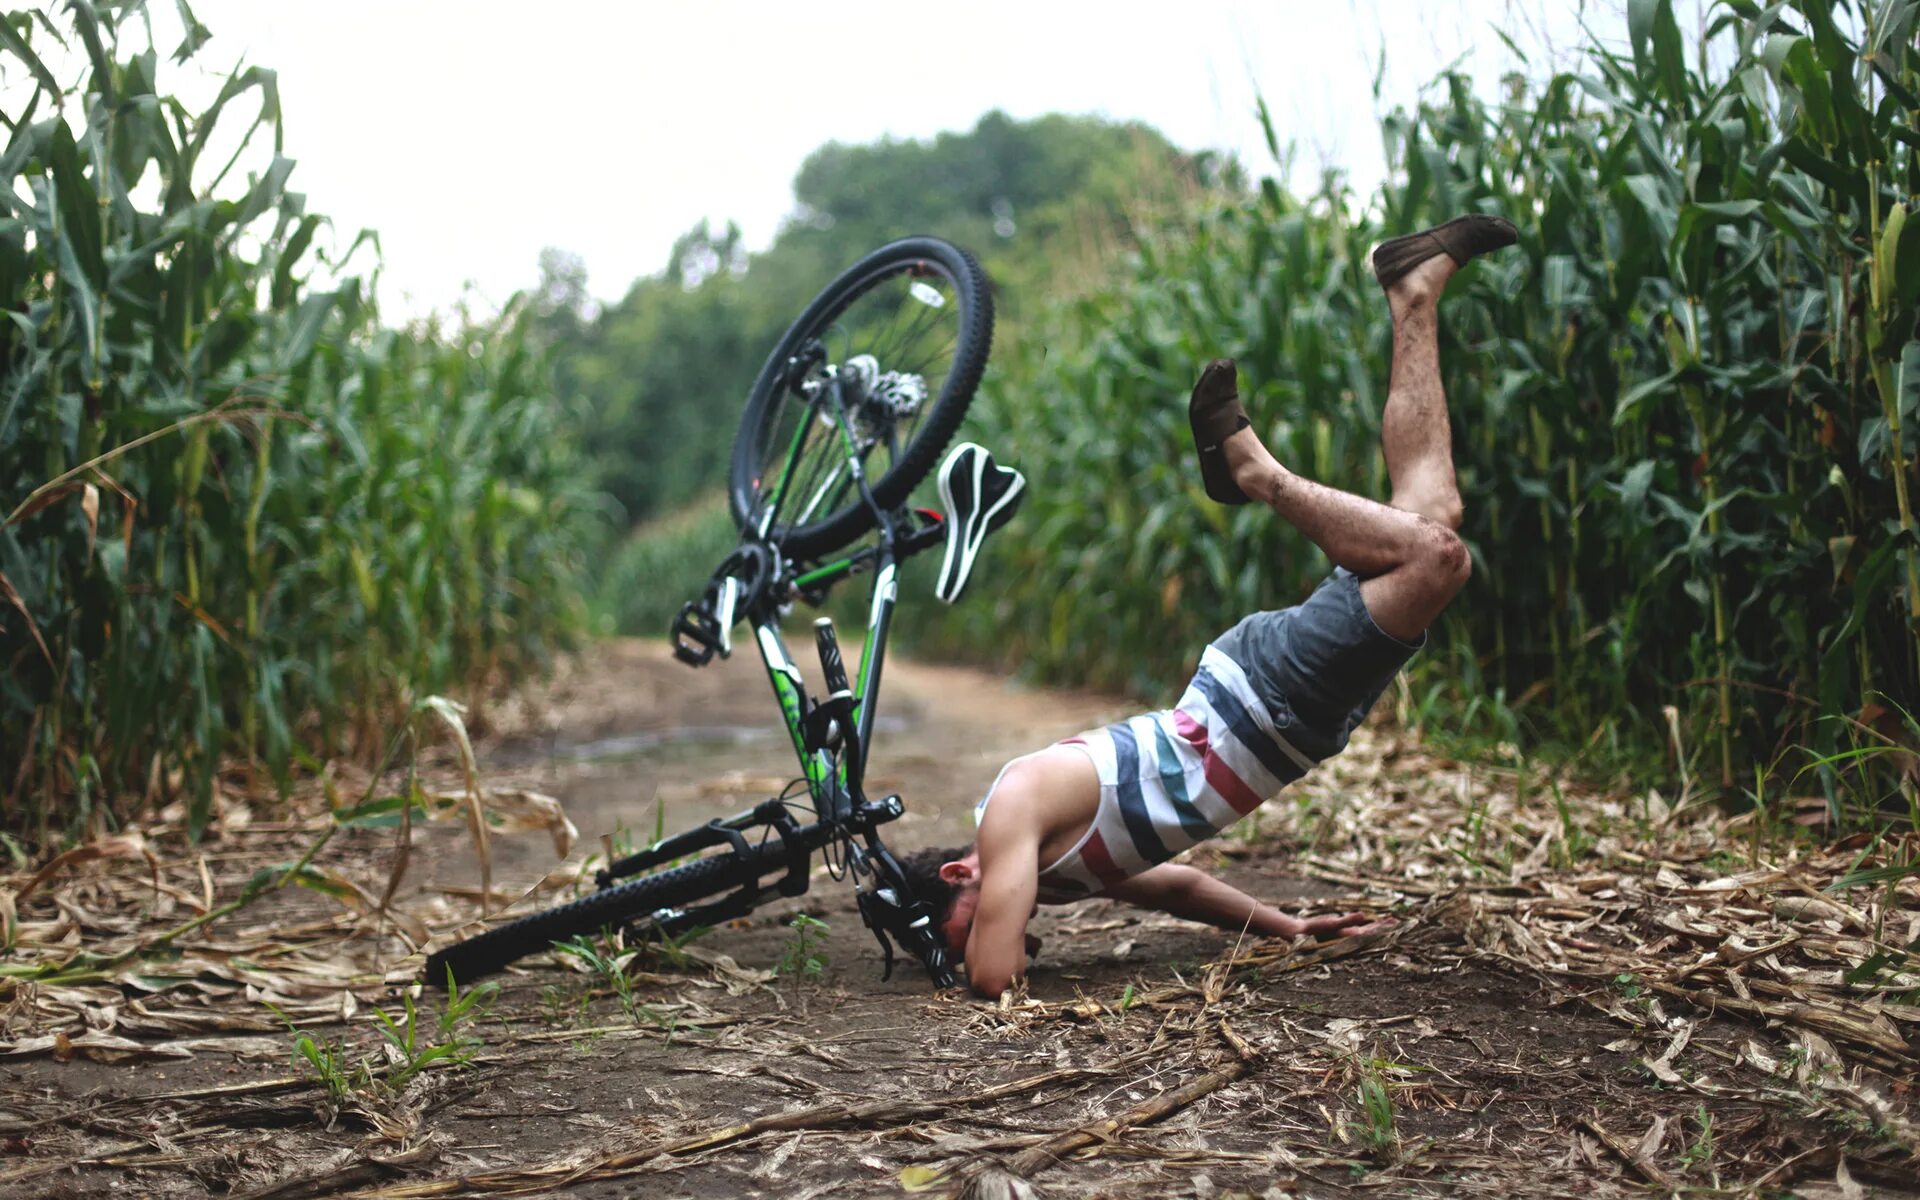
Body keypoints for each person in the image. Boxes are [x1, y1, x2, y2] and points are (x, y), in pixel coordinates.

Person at [899, 214, 1518, 998]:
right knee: (1432, 513)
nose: (979, 940)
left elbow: (994, 978)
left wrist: (972, 965)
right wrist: (1284, 925)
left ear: (962, 873)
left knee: (1437, 559)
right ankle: (1414, 292)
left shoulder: (1013, 811)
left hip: (1260, 699)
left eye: (954, 933)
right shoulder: (1054, 872)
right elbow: (1176, 888)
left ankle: (1254, 473)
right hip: (1287, 721)